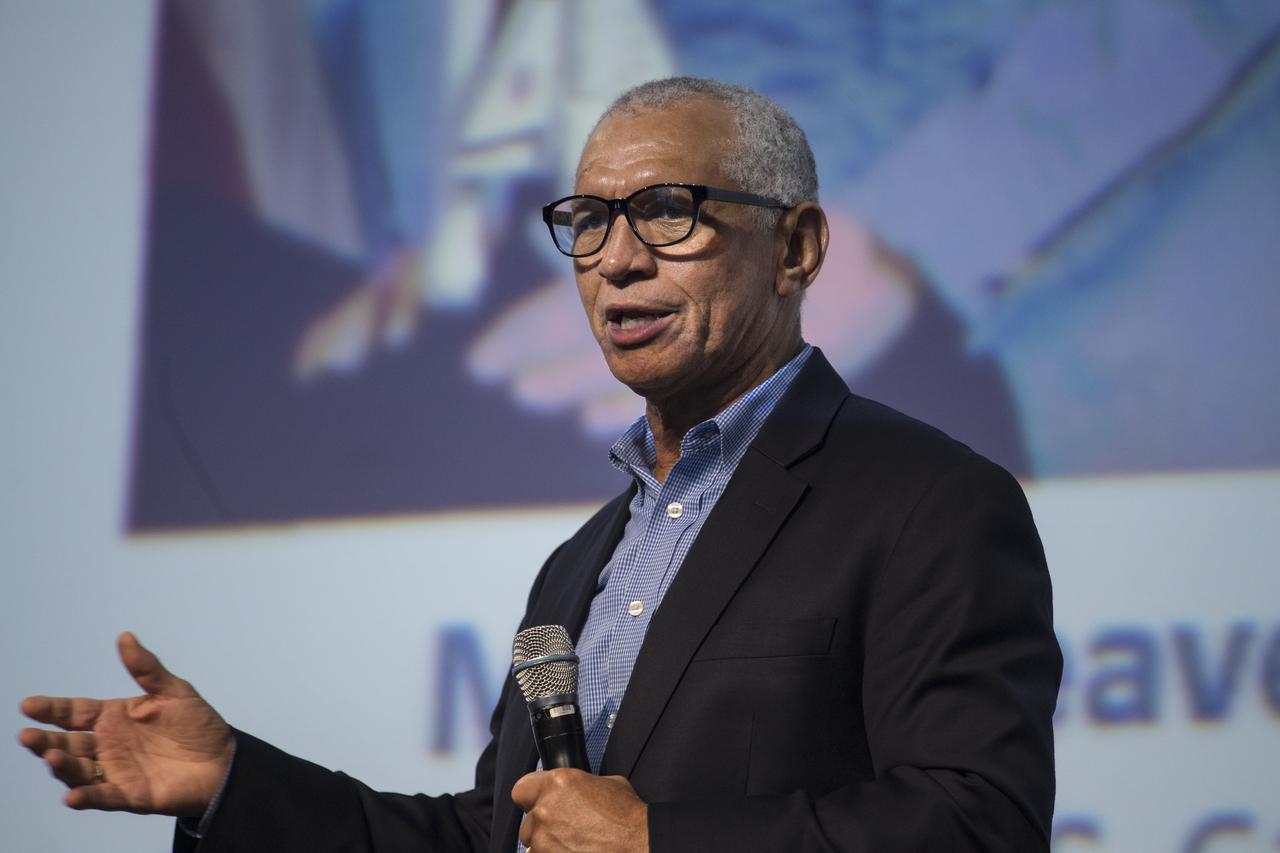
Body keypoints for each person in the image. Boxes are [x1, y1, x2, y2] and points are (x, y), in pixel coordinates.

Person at [19, 77, 1061, 852]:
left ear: (795, 249)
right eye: (589, 222)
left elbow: (980, 821)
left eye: (668, 211)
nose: (616, 258)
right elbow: (497, 836)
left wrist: (658, 839)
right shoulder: (578, 564)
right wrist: (232, 782)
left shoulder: (927, 500)